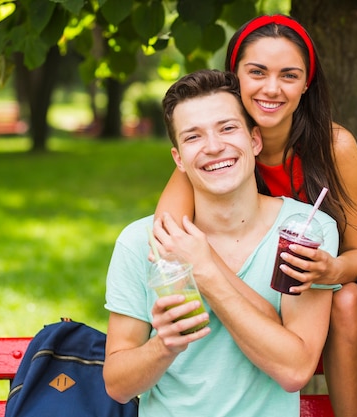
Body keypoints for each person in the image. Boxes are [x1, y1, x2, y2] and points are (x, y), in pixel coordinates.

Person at [155, 15, 357, 417]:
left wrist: (330, 271)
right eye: (257, 72)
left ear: (307, 84)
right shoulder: (217, 149)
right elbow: (168, 236)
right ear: (235, 77)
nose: (272, 88)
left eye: (289, 75)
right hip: (267, 268)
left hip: (345, 254)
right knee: (345, 305)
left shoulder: (335, 145)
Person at [103, 69, 340, 417]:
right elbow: (117, 385)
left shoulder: (304, 231)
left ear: (255, 140)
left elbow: (295, 369)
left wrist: (205, 269)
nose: (214, 147)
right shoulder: (139, 242)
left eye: (227, 128)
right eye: (194, 137)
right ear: (178, 158)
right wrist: (163, 347)